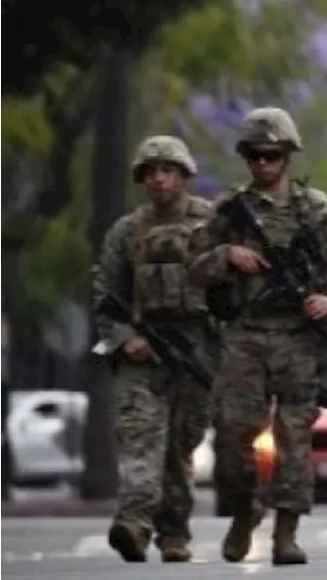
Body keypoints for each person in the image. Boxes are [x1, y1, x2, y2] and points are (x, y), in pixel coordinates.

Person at [188, 107, 327, 565]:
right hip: (245, 335)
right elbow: (195, 266)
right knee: (231, 434)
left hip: (298, 336)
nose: (263, 165)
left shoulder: (313, 208)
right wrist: (228, 254)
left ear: (287, 156)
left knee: (294, 437)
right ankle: (244, 510)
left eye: (271, 156)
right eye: (254, 156)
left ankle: (287, 529)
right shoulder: (230, 210)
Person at [91, 136, 218, 563]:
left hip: (196, 349)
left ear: (183, 174)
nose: (158, 179)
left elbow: (234, 289)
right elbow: (105, 294)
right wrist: (128, 339)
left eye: (166, 170)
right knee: (141, 436)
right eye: (150, 172)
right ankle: (134, 522)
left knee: (181, 444)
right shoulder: (126, 232)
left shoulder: (212, 225)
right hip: (143, 351)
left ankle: (174, 532)